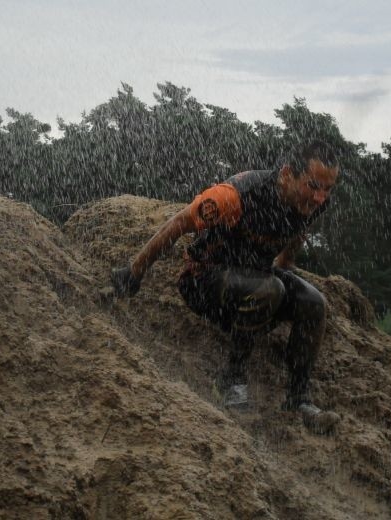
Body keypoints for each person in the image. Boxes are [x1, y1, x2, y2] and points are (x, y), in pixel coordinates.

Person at [110, 140, 341, 432]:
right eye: (313, 185)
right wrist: (133, 274)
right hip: (203, 280)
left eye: (328, 189)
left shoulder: (313, 203)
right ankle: (231, 381)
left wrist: (283, 272)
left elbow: (295, 232)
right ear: (286, 174)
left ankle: (298, 399)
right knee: (270, 289)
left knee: (314, 302)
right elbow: (177, 224)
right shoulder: (235, 196)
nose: (321, 197)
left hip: (257, 276)